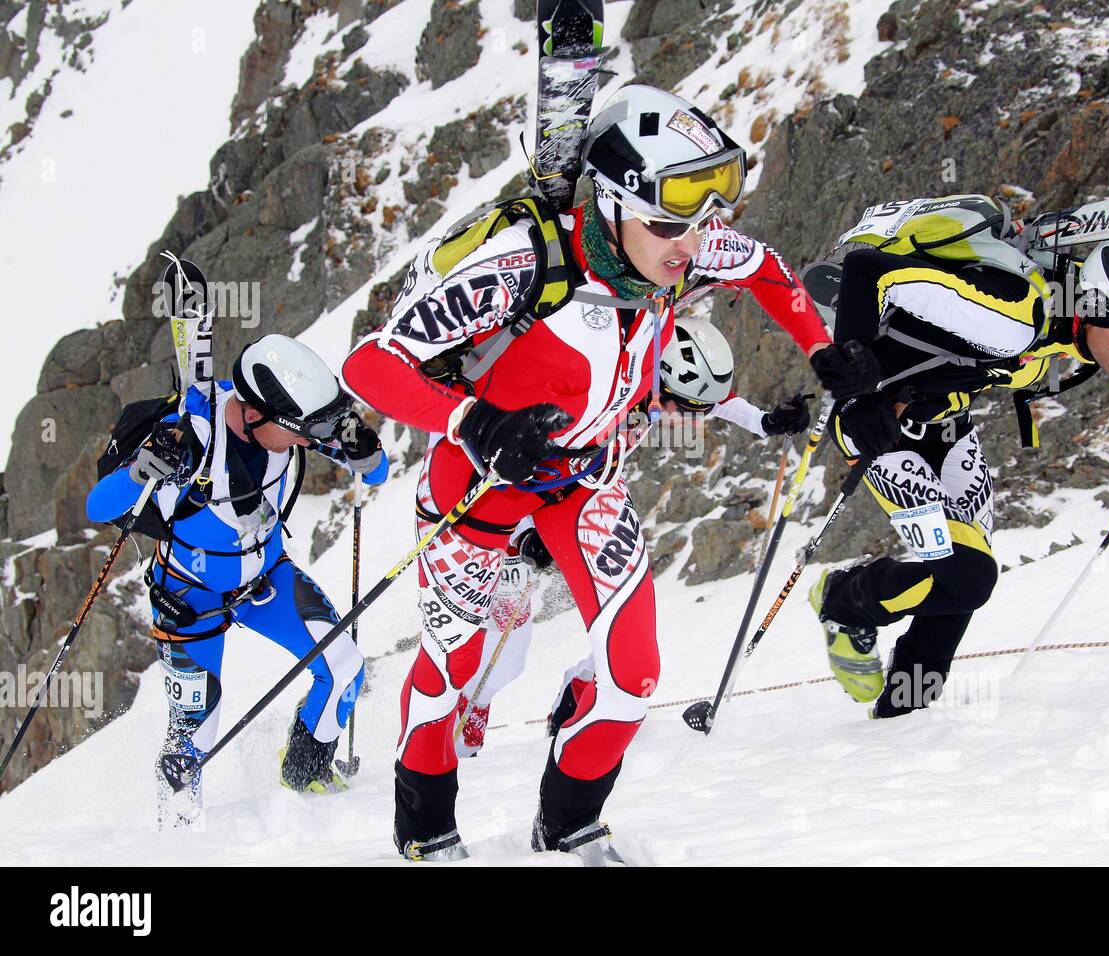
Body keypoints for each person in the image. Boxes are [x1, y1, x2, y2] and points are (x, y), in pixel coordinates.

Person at [342, 84, 844, 863]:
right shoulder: (521, 263)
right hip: (477, 487)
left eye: (708, 219)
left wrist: (824, 352)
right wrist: (473, 421)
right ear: (611, 205)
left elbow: (770, 272)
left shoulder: (681, 243)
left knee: (633, 669)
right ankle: (426, 831)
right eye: (672, 223)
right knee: (454, 670)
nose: (694, 243)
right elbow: (371, 363)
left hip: (585, 483)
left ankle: (569, 824)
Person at [806, 216, 1109, 718]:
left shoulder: (1083, 310)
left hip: (949, 425)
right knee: (968, 577)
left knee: (959, 586)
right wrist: (861, 393)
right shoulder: (1011, 317)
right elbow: (868, 269)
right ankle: (844, 601)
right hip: (881, 429)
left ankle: (903, 715)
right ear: (1099, 314)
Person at [451, 317, 812, 758]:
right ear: (662, 379)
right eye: (688, 407)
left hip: (578, 499)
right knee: (507, 651)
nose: (689, 421)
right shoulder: (601, 385)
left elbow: (710, 401)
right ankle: (459, 730)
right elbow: (514, 457)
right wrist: (525, 534)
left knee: (620, 619)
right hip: (508, 508)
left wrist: (765, 421)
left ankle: (578, 697)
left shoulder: (658, 382)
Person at [86, 334, 389, 824]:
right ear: (252, 415)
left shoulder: (288, 415)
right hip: (189, 595)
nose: (306, 441)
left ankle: (305, 777)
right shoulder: (187, 437)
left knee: (345, 668)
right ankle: (180, 837)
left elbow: (374, 474)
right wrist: (143, 472)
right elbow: (98, 507)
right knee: (196, 729)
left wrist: (363, 450)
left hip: (264, 580)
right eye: (297, 432)